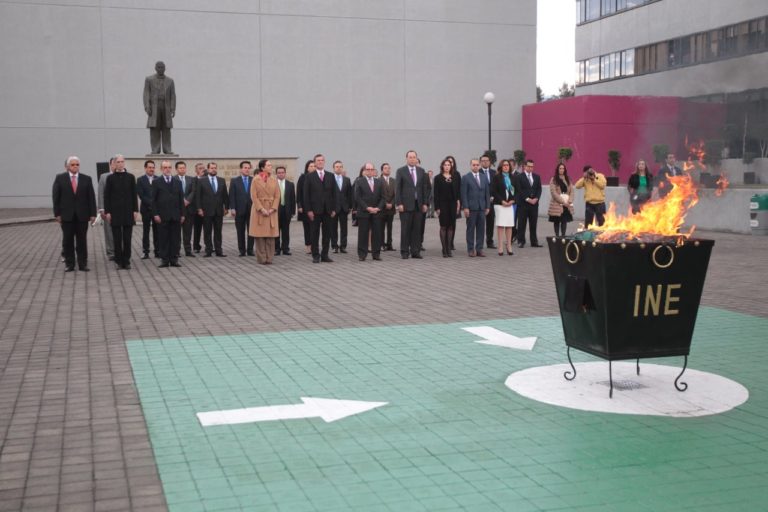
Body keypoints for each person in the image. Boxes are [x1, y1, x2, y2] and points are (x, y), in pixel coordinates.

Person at [52, 156, 96, 272]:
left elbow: (91, 197)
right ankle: (69, 264)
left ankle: (82, 264)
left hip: (82, 215)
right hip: (66, 215)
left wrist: (93, 214)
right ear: (67, 166)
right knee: (68, 240)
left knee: (82, 240)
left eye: (77, 164)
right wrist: (57, 214)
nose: (75, 166)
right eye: (72, 164)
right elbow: (56, 197)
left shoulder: (87, 179)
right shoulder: (60, 178)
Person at [103, 155, 138, 269]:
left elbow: (134, 195)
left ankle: (126, 260)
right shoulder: (110, 178)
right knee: (117, 239)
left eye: (122, 161)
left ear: (124, 163)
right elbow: (106, 196)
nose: (120, 164)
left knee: (127, 238)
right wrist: (108, 212)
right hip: (115, 212)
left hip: (128, 212)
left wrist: (135, 210)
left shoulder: (130, 177)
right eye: (118, 162)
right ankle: (118, 261)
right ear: (114, 164)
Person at [395, 150, 430, 259]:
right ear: (406, 158)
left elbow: (424, 188)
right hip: (405, 205)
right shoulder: (401, 171)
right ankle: (404, 251)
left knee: (417, 229)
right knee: (405, 229)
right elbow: (398, 188)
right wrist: (399, 203)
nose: (412, 159)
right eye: (410, 157)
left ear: (416, 158)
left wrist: (425, 203)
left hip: (418, 205)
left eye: (414, 157)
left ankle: (415, 251)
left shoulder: (421, 171)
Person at [303, 154, 337, 263]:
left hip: (328, 210)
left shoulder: (330, 176)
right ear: (315, 162)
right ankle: (315, 255)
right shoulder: (309, 176)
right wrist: (308, 210)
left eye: (322, 160)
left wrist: (334, 209)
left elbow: (335, 193)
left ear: (324, 162)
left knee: (327, 234)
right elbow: (306, 195)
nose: (320, 162)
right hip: (314, 210)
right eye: (318, 160)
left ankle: (325, 255)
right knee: (314, 233)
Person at [151, 161, 185, 268]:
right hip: (162, 216)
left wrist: (182, 214)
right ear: (161, 169)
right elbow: (153, 200)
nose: (167, 169)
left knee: (175, 239)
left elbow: (181, 199)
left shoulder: (177, 182)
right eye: (165, 167)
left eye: (169, 167)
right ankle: (164, 260)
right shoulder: (156, 182)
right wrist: (155, 214)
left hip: (175, 215)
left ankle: (174, 259)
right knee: (163, 238)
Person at [249, 159, 280, 264]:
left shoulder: (274, 180)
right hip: (259, 210)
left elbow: (277, 196)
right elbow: (254, 196)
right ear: (262, 168)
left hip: (271, 210)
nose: (271, 167)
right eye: (268, 165)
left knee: (270, 236)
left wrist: (273, 208)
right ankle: (262, 258)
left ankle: (269, 258)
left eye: (271, 165)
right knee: (260, 236)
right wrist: (261, 209)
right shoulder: (256, 180)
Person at [196, 161, 229, 257]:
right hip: (206, 210)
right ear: (208, 169)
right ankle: (208, 250)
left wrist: (226, 207)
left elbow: (225, 195)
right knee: (207, 231)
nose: (213, 170)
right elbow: (198, 196)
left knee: (218, 231)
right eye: (212, 168)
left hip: (219, 210)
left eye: (215, 168)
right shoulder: (202, 181)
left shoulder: (221, 180)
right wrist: (199, 209)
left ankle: (219, 250)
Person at [143, 61, 176, 154]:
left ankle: (167, 149)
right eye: (159, 67)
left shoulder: (170, 81)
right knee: (154, 129)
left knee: (166, 129)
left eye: (162, 67)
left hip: (166, 107)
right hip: (154, 107)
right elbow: (146, 93)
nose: (161, 69)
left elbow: (173, 95)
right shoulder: (149, 79)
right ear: (155, 68)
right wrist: (147, 106)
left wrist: (173, 108)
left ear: (165, 68)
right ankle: (155, 149)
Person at [354, 163, 385, 261]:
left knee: (377, 233)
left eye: (372, 169)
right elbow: (357, 197)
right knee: (363, 234)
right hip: (364, 212)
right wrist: (367, 208)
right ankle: (362, 254)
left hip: (377, 212)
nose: (370, 171)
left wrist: (378, 208)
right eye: (368, 169)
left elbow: (383, 197)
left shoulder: (379, 182)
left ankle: (376, 254)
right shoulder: (359, 181)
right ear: (364, 170)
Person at [461, 158, 490, 257]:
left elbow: (487, 193)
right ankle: (470, 249)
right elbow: (464, 194)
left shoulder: (484, 177)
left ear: (480, 165)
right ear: (470, 166)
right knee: (470, 229)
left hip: (482, 208)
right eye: (474, 165)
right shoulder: (466, 178)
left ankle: (479, 249)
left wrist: (487, 206)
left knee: (481, 229)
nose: (476, 166)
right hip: (471, 208)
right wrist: (465, 207)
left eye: (477, 165)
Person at [433, 158, 461, 257]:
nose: (447, 166)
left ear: (451, 166)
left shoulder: (455, 177)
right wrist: (437, 207)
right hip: (442, 205)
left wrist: (458, 203)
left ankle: (449, 248)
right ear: (442, 166)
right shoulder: (438, 178)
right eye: (445, 165)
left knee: (451, 226)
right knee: (443, 226)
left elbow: (458, 191)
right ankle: (444, 249)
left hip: (452, 204)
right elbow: (436, 194)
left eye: (448, 165)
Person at [514, 159, 542, 248]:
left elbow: (539, 189)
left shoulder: (537, 177)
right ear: (525, 166)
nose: (530, 168)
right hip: (523, 204)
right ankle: (521, 241)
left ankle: (534, 241)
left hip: (534, 204)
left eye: (532, 166)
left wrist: (536, 198)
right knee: (522, 223)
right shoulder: (519, 177)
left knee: (533, 223)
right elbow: (519, 190)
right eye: (529, 166)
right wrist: (527, 199)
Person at [229, 161, 255, 257]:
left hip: (252, 210)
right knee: (240, 231)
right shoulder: (234, 181)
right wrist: (232, 208)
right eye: (245, 168)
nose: (247, 169)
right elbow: (232, 195)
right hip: (239, 210)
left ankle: (250, 250)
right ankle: (242, 250)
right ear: (241, 169)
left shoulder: (254, 180)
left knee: (251, 231)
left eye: (248, 168)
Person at [491, 159, 516, 255]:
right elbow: (494, 191)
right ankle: (500, 246)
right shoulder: (497, 177)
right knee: (501, 225)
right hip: (500, 204)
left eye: (507, 165)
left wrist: (513, 200)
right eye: (504, 165)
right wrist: (502, 201)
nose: (506, 167)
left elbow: (518, 190)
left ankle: (509, 245)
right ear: (501, 167)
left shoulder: (513, 177)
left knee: (509, 225)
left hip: (510, 204)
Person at [136, 160, 159, 259]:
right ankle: (146, 252)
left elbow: (159, 194)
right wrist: (151, 204)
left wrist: (155, 205)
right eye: (150, 167)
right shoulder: (140, 180)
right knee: (146, 231)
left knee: (157, 231)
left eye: (153, 167)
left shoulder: (158, 179)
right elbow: (141, 195)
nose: (151, 169)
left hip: (156, 211)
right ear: (145, 168)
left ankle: (157, 251)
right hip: (146, 209)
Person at [175, 161, 197, 257]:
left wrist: (187, 200)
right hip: (177, 210)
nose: (182, 169)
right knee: (176, 232)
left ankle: (188, 251)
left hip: (189, 209)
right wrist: (181, 201)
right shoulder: (173, 179)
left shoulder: (191, 179)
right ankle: (176, 251)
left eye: (184, 168)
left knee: (188, 231)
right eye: (180, 168)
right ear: (176, 169)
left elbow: (193, 191)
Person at [547, 163, 574, 237]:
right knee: (557, 221)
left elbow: (572, 191)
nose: (562, 170)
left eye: (563, 168)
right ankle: (557, 237)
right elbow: (553, 192)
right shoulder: (554, 179)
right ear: (557, 169)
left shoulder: (568, 179)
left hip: (566, 203)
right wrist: (562, 201)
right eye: (560, 168)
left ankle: (563, 236)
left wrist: (570, 200)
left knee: (564, 221)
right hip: (557, 203)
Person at [331, 160, 353, 254]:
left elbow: (350, 194)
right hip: (333, 208)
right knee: (333, 228)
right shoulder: (330, 179)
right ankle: (334, 246)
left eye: (340, 166)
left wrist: (350, 206)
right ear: (333, 168)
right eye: (337, 167)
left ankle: (343, 246)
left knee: (344, 228)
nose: (339, 168)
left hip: (344, 208)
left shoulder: (347, 179)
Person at [275, 165, 296, 256]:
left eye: (282, 172)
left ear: (285, 173)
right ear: (276, 174)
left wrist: (293, 211)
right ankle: (276, 249)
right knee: (276, 231)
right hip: (276, 211)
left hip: (287, 211)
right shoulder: (273, 184)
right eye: (279, 173)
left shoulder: (290, 184)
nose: (281, 174)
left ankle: (285, 248)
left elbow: (293, 199)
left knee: (286, 231)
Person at [97, 157, 115, 260]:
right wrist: (101, 209)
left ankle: (120, 250)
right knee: (108, 231)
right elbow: (100, 193)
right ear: (110, 164)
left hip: (120, 210)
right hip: (107, 209)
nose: (116, 165)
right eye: (114, 163)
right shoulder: (104, 177)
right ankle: (111, 252)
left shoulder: (124, 175)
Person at [296, 160, 315, 254]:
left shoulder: (318, 177)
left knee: (314, 227)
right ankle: (308, 245)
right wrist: (299, 205)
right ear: (307, 168)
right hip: (305, 206)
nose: (312, 168)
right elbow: (298, 192)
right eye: (311, 166)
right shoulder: (303, 177)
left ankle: (314, 245)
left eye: (314, 166)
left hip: (316, 207)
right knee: (307, 227)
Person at [479, 154, 497, 249]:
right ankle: (480, 242)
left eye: (487, 161)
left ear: (489, 162)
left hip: (492, 202)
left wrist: (493, 196)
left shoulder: (494, 173)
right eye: (483, 161)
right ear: (480, 162)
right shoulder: (478, 172)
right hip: (481, 202)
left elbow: (497, 186)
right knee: (481, 223)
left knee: (490, 223)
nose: (485, 162)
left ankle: (490, 241)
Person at [379, 163, 396, 251]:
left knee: (390, 227)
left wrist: (392, 204)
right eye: (385, 168)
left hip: (391, 208)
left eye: (389, 168)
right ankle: (382, 244)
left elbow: (396, 194)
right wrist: (385, 203)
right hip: (382, 208)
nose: (387, 170)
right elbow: (378, 194)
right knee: (381, 227)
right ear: (382, 170)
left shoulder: (393, 180)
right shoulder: (378, 180)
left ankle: (389, 244)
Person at [192, 162, 205, 252]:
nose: (202, 170)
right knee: (197, 228)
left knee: (208, 229)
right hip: (196, 209)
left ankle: (209, 246)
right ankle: (196, 246)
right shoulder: (193, 180)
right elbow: (194, 193)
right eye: (200, 168)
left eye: (203, 168)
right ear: (196, 170)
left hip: (207, 208)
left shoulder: (208, 179)